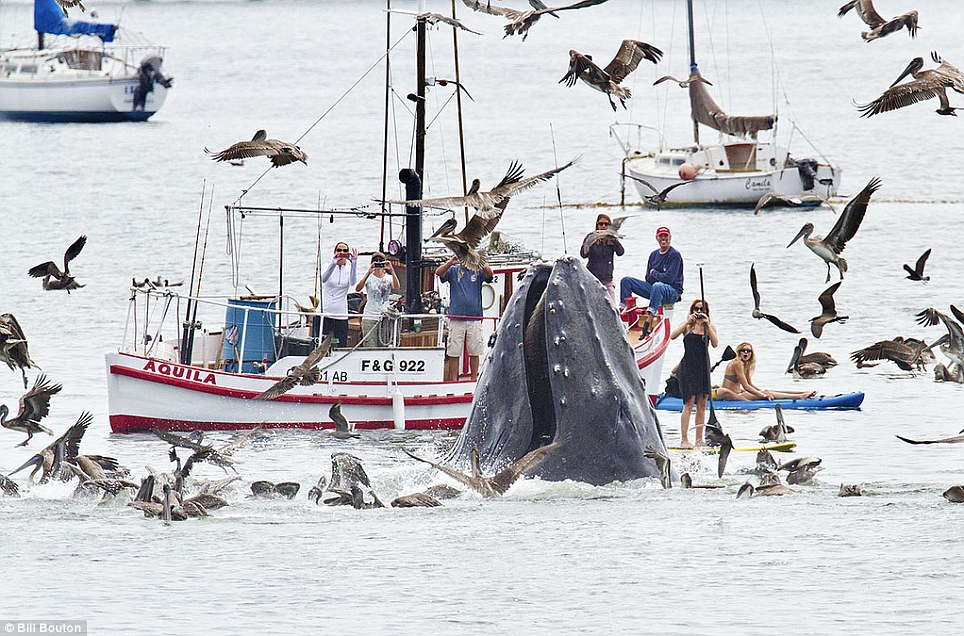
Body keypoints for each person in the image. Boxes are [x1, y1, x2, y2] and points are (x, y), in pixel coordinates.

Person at [436, 255, 494, 382]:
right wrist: (450, 262)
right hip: (456, 317)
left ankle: (474, 380)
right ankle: (453, 381)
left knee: (475, 351)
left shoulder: (477, 271)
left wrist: (479, 262)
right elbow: (438, 272)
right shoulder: (453, 270)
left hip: (474, 318)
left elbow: (490, 274)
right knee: (454, 352)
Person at [670, 299, 718, 448]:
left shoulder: (708, 327)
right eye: (696, 309)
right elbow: (673, 336)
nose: (698, 311)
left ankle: (699, 439)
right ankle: (684, 439)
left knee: (702, 404)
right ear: (692, 310)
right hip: (688, 367)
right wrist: (687, 321)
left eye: (701, 309)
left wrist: (707, 324)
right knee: (688, 404)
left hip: (703, 367)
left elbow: (715, 344)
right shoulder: (687, 327)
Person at [619, 226, 683, 334]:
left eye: (665, 236)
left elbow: (669, 278)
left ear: (670, 237)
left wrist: (655, 273)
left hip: (672, 291)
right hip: (654, 288)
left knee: (657, 285)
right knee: (626, 281)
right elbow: (648, 277)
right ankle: (624, 313)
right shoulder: (653, 255)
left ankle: (649, 320)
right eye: (661, 236)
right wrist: (657, 275)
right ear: (657, 238)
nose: (663, 239)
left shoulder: (674, 255)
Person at [716, 341, 816, 401]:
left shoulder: (746, 364)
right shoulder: (736, 363)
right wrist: (763, 395)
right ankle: (799, 397)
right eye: (743, 350)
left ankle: (802, 392)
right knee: (766, 392)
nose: (746, 352)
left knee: (767, 390)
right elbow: (746, 386)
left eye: (748, 351)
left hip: (738, 392)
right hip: (732, 396)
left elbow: (749, 384)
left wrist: (760, 391)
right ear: (739, 352)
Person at [355, 252, 400, 348]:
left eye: (381, 261)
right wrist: (368, 272)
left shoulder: (388, 278)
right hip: (369, 317)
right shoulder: (369, 278)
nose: (378, 263)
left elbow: (396, 286)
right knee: (370, 345)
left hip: (384, 317)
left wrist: (392, 271)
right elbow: (358, 288)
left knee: (384, 345)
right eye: (376, 261)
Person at [580, 213, 624, 303]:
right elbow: (583, 254)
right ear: (597, 225)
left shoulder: (611, 240)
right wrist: (587, 242)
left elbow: (621, 253)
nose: (603, 226)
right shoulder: (591, 236)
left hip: (607, 279)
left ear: (610, 225)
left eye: (606, 224)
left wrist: (614, 240)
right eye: (601, 224)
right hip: (592, 279)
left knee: (611, 305)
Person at [321, 241, 357, 348]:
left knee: (341, 345)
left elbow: (353, 282)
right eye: (339, 250)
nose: (342, 253)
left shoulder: (348, 269)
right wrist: (334, 263)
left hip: (341, 313)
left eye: (345, 251)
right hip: (325, 312)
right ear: (335, 252)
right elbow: (324, 278)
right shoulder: (327, 266)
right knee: (321, 344)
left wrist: (354, 262)